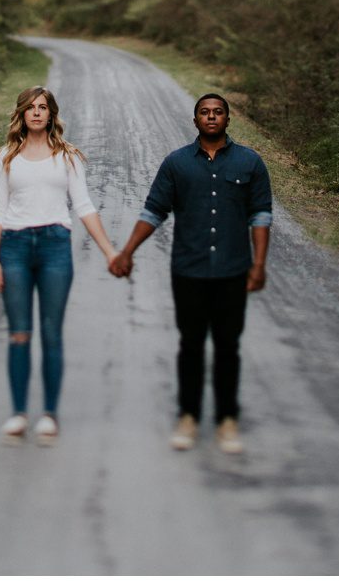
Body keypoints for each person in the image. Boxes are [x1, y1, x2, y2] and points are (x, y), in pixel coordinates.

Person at [108, 93, 271, 454]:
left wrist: (259, 264)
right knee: (191, 345)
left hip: (232, 269)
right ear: (195, 119)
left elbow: (260, 215)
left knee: (228, 346)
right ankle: (188, 416)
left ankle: (227, 420)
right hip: (189, 270)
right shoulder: (176, 164)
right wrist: (127, 252)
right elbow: (154, 212)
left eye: (218, 113)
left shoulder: (250, 163)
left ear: (228, 120)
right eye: (204, 112)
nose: (211, 117)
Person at [0, 85, 118, 446]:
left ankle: (48, 415)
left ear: (51, 114)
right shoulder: (6, 157)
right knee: (19, 333)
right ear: (21, 114)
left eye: (42, 107)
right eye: (30, 108)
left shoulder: (67, 156)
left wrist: (109, 251)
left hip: (54, 247)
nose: (36, 113)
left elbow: (85, 206)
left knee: (51, 332)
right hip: (13, 248)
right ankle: (18, 414)